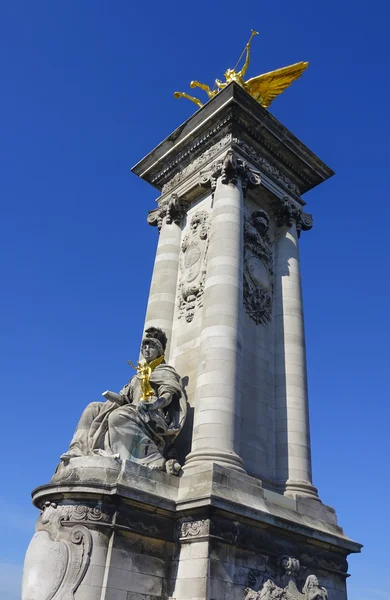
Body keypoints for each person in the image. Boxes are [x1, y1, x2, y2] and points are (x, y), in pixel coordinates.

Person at [60, 328, 186, 473]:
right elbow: (124, 398)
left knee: (118, 415)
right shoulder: (138, 375)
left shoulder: (164, 371)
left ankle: (151, 459)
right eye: (144, 347)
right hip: (133, 409)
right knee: (93, 407)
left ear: (159, 351)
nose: (146, 350)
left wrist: (153, 405)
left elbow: (168, 395)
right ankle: (78, 449)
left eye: (150, 346)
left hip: (153, 414)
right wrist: (109, 395)